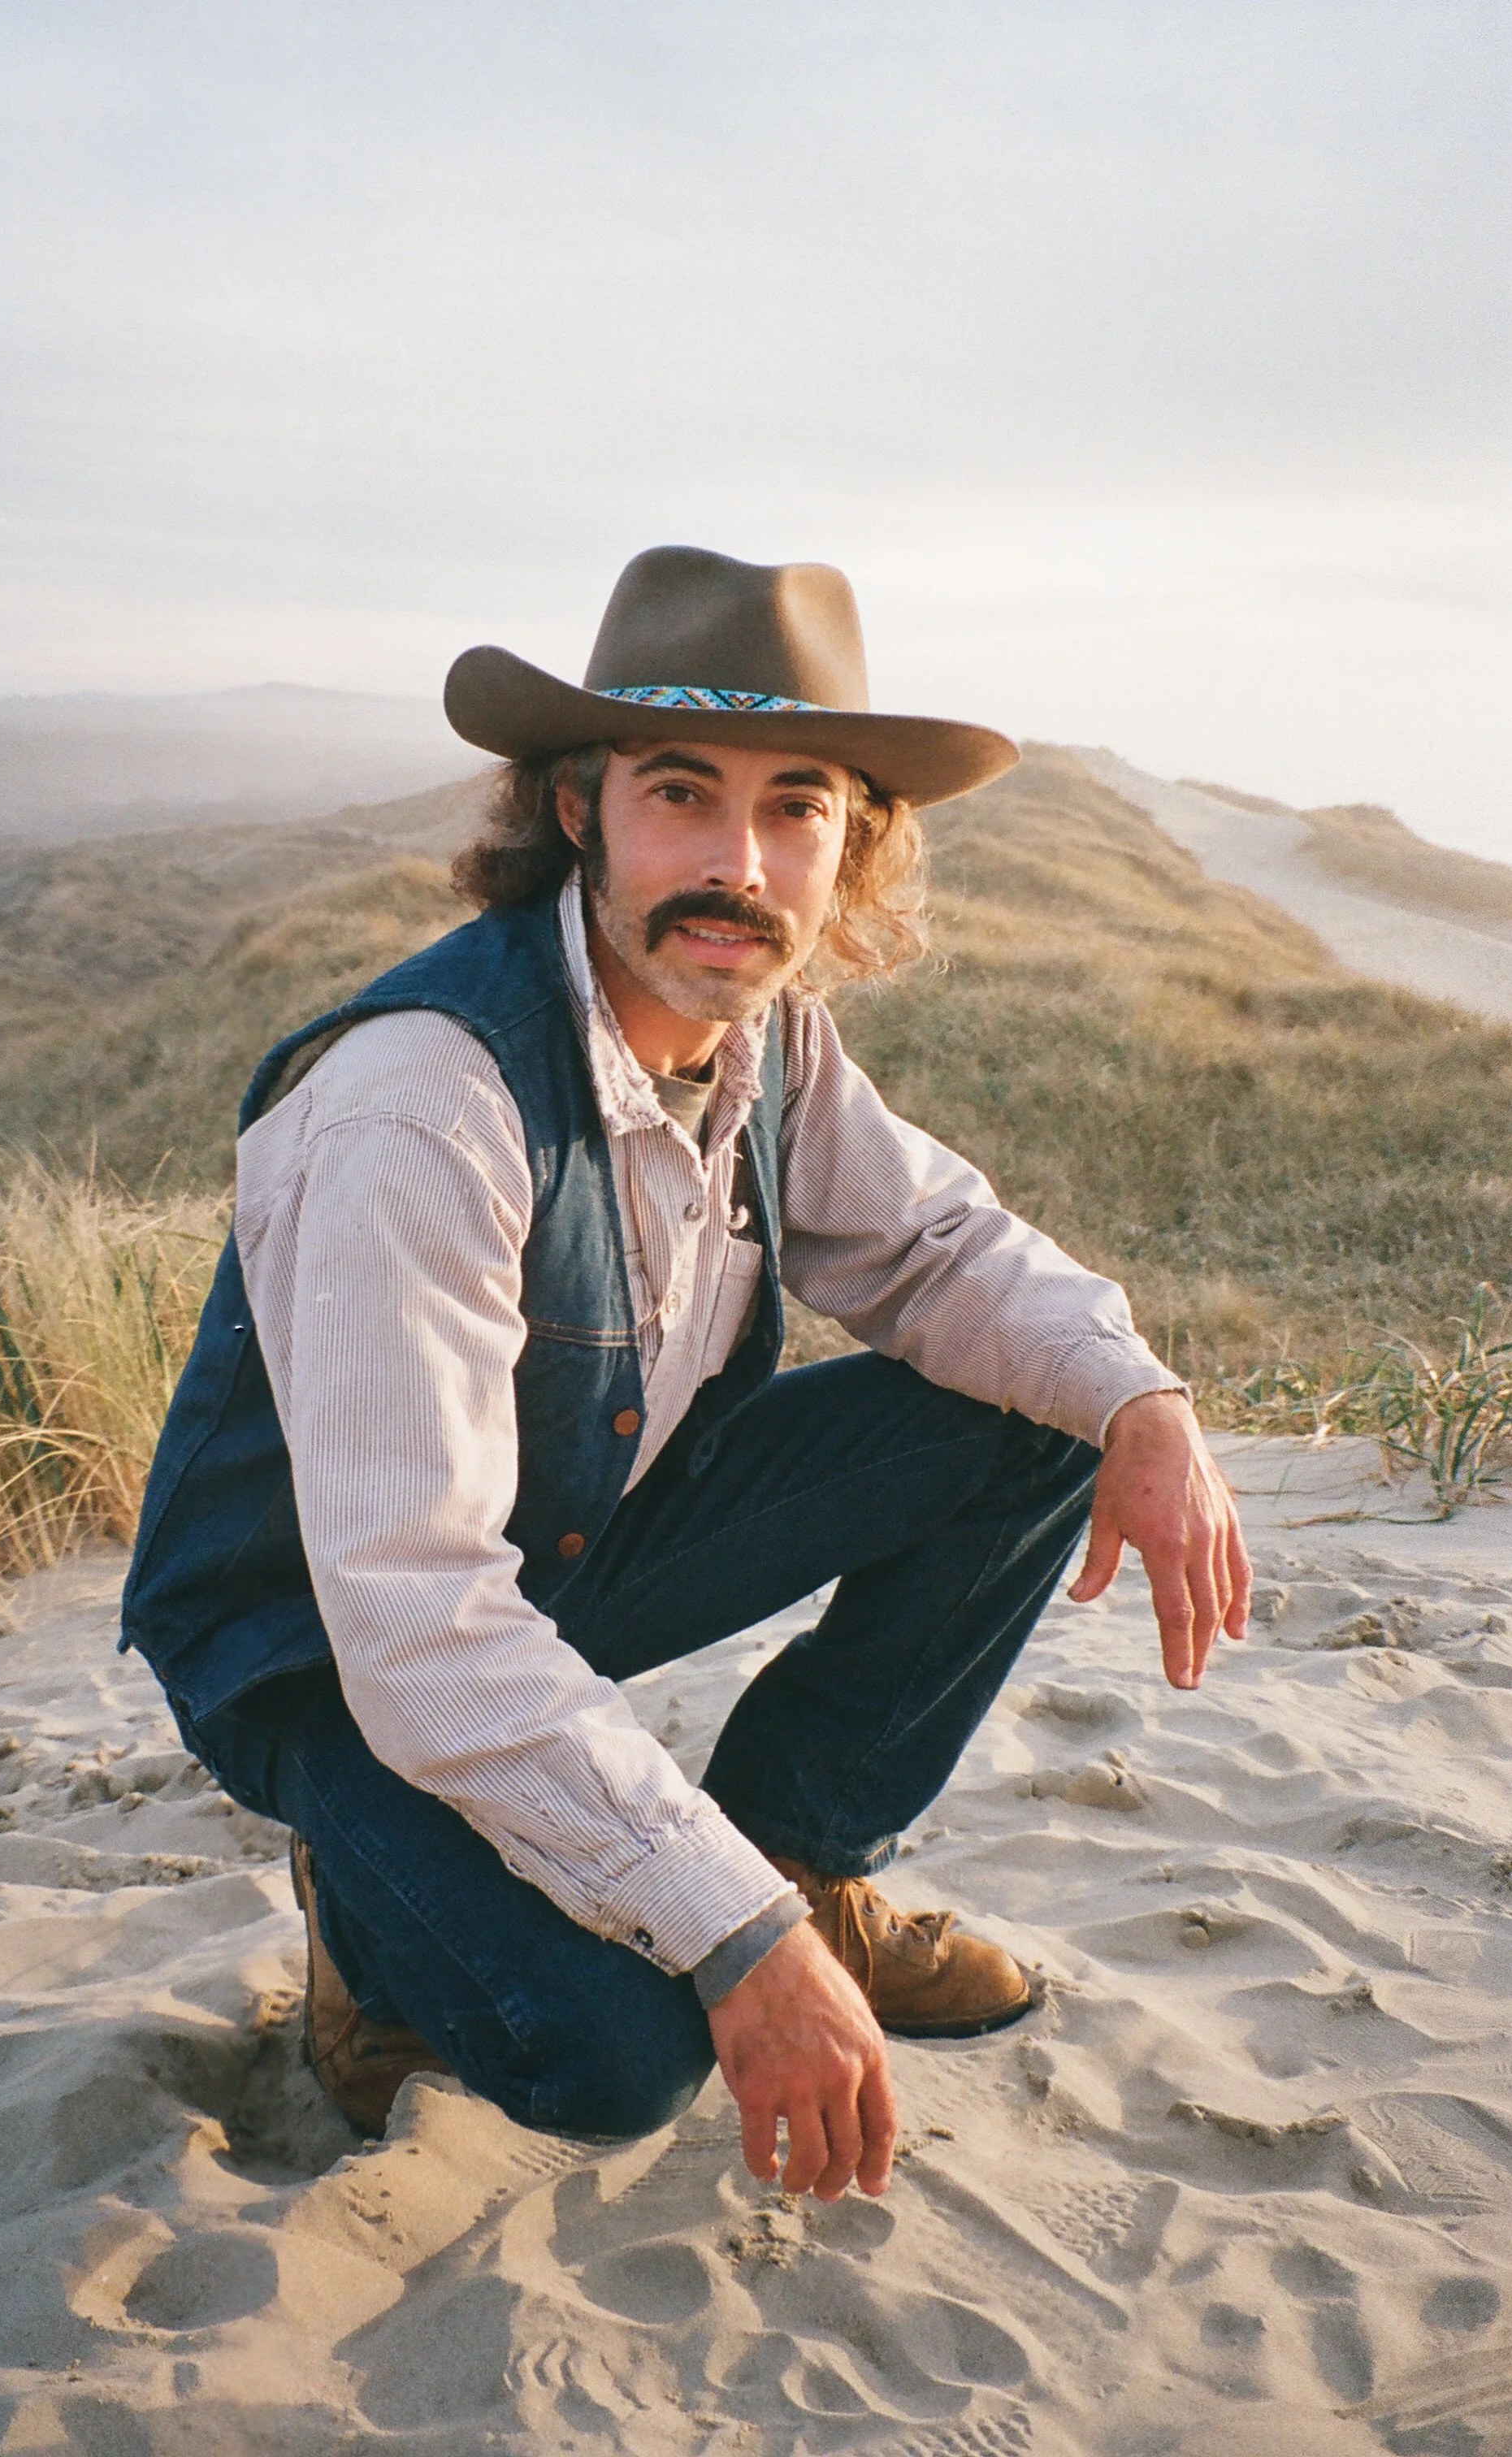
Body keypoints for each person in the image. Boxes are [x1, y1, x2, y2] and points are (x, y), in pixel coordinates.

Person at [122, 545, 1250, 2206]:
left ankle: (808, 1845)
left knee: (1044, 1413)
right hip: (327, 1644)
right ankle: (370, 1936)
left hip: (576, 1537)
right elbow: (417, 1618)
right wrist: (729, 1940)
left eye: (796, 807)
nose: (738, 866)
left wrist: (1143, 1400)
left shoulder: (761, 1030)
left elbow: (937, 1248)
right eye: (679, 794)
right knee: (618, 2059)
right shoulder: (423, 1108)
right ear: (576, 807)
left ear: (852, 838)